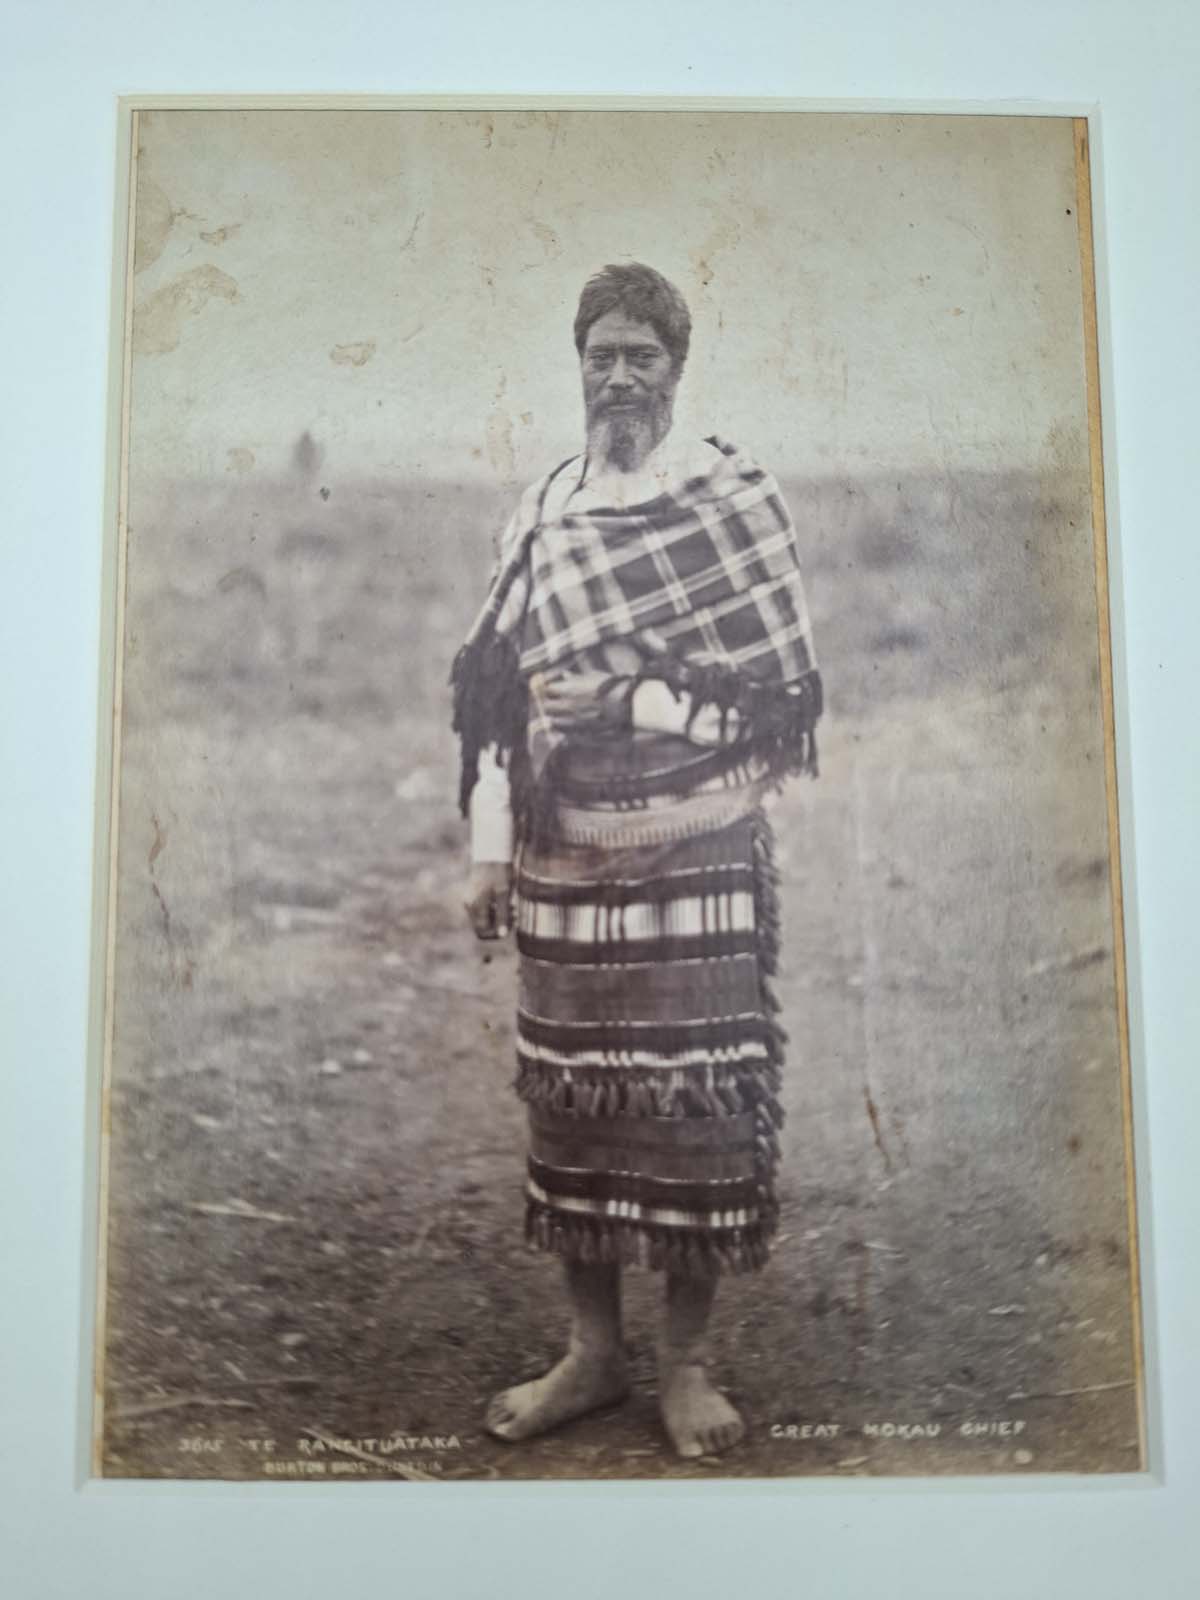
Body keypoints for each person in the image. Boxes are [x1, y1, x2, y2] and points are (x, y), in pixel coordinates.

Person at [451, 262, 822, 1459]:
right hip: (564, 862)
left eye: (641, 355)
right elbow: (500, 701)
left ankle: (687, 1364)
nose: (619, 376)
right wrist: (489, 851)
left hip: (696, 851)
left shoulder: (732, 501)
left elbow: (776, 708)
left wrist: (629, 701)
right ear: (578, 365)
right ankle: (594, 1352)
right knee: (574, 1107)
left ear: (677, 367)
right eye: (600, 354)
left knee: (693, 1105)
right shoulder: (544, 513)